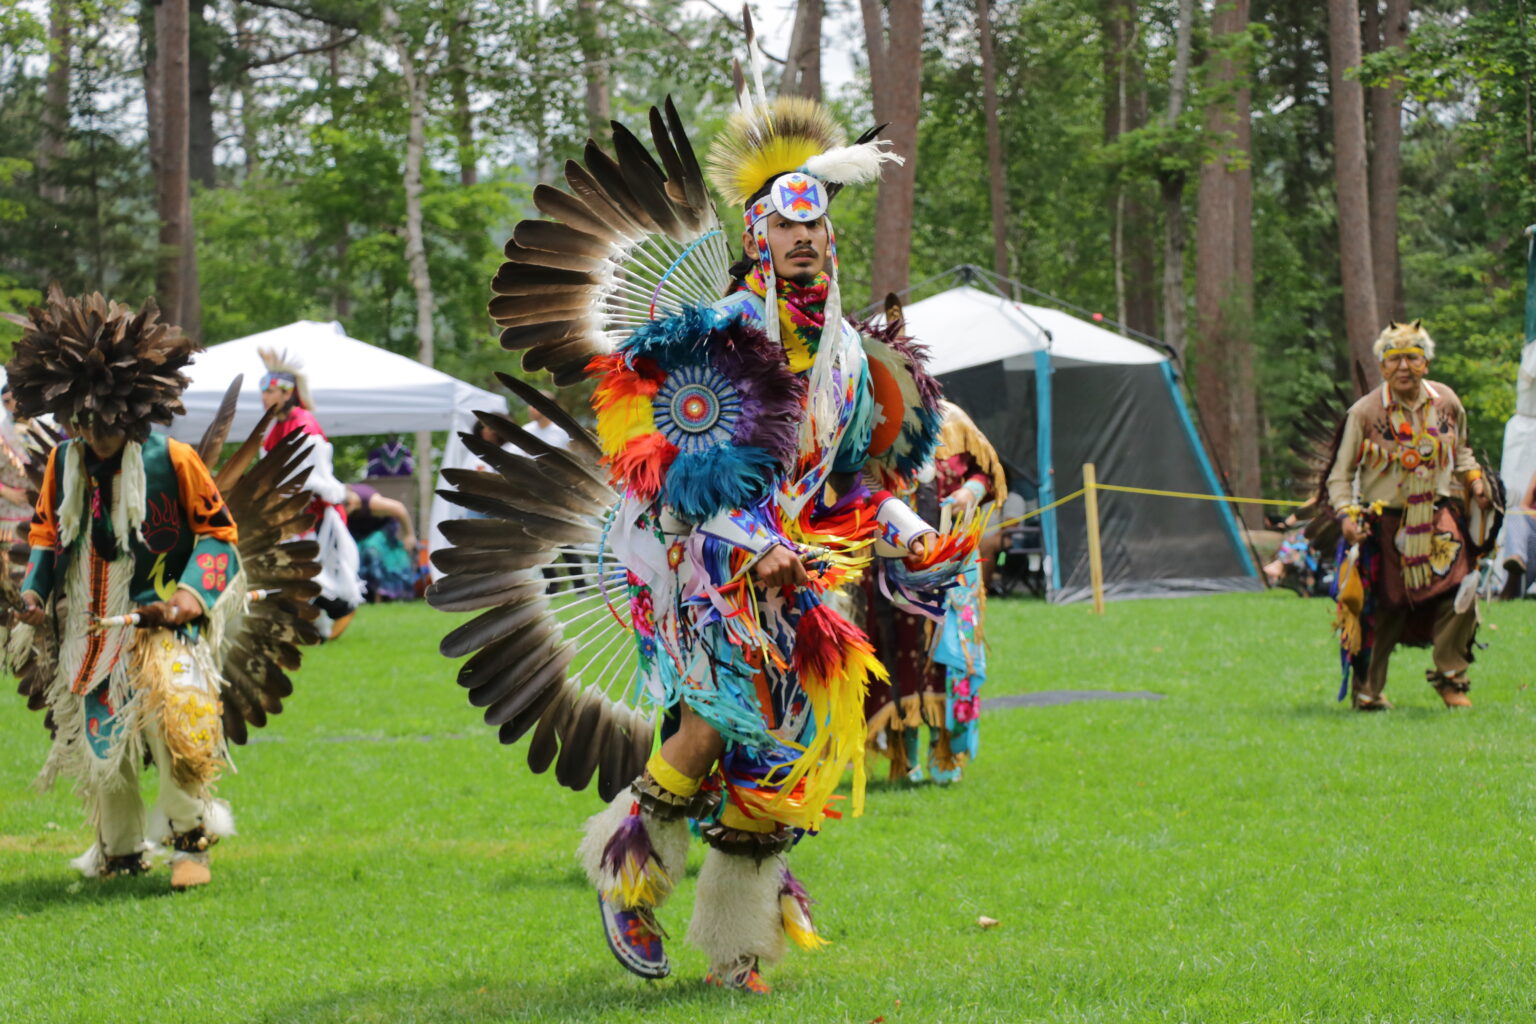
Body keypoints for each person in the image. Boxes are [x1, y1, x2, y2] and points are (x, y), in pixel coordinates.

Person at [442, 78, 973, 991]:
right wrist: (751, 540)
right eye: (783, 224)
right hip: (705, 562)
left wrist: (912, 528)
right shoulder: (719, 335)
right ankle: (625, 878)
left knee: (780, 750)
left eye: (814, 224)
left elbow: (847, 476)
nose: (801, 237)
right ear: (757, 236)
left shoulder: (850, 359)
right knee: (715, 721)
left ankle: (737, 946)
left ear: (831, 238)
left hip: (802, 575)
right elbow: (669, 461)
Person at [8, 291, 237, 888]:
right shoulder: (65, 463)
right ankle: (121, 852)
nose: (96, 436)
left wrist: (187, 599)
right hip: (93, 630)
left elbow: (219, 536)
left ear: (133, 412)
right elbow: (48, 538)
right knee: (102, 739)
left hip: (163, 622)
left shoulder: (174, 460)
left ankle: (190, 843)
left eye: (107, 424)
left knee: (176, 723)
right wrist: (33, 597)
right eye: (83, 424)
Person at [1325, 320, 1492, 710]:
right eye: (1395, 358)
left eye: (1413, 358)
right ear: (1382, 366)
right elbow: (1340, 475)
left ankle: (1451, 678)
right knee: (1387, 608)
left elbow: (1462, 451)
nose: (1404, 367)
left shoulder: (1446, 402)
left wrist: (1475, 481)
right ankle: (1368, 690)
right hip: (1383, 523)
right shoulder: (1365, 412)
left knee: (1463, 592)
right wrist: (1346, 516)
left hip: (1438, 519)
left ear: (1426, 363)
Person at [865, 400, 1005, 784]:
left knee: (951, 659)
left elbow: (985, 471)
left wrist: (969, 493)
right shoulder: (878, 418)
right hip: (896, 568)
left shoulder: (952, 418)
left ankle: (945, 753)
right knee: (901, 656)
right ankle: (905, 755)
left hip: (953, 567)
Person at [258, 349, 364, 638]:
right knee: (292, 569)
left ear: (287, 393)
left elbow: (315, 478)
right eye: (263, 391)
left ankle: (340, 609)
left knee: (311, 570)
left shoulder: (303, 423)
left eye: (270, 391)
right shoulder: (276, 428)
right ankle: (316, 624)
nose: (264, 397)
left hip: (314, 514)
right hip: (289, 513)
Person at [343, 483, 417, 602]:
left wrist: (409, 535)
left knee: (371, 550)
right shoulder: (339, 499)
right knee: (352, 553)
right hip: (358, 530)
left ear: (350, 504)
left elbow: (399, 508)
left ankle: (379, 597)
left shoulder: (372, 502)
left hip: (381, 527)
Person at [1498, 469, 1536, 600]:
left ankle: (1511, 586)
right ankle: (1516, 558)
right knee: (1515, 512)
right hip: (1531, 527)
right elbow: (1524, 505)